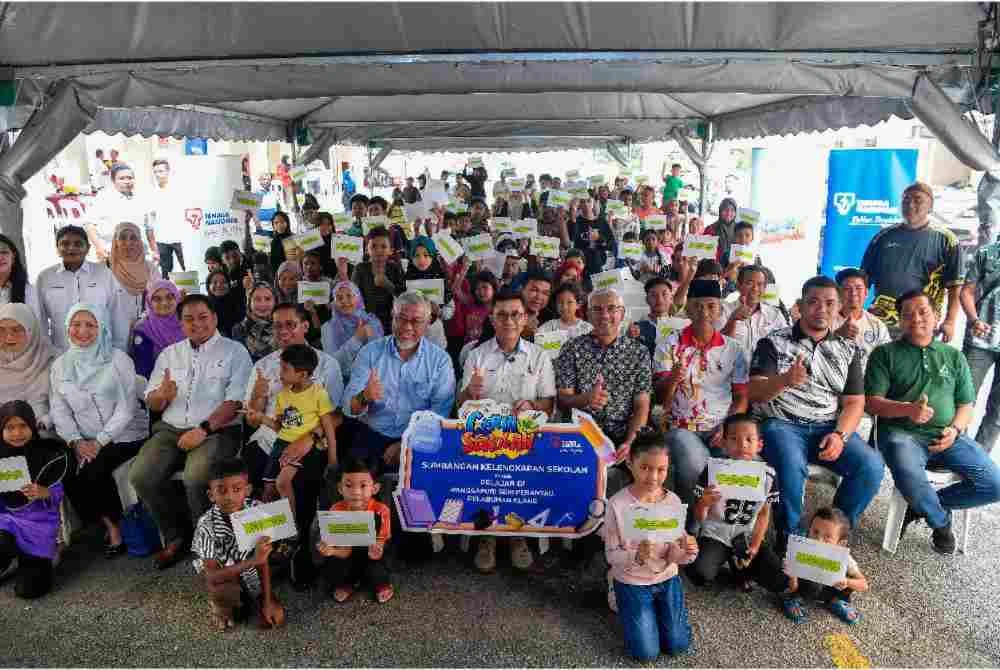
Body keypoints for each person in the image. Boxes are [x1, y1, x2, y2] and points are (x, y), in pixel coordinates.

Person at [748, 276, 885, 547]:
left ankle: (830, 534)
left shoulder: (847, 349)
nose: (821, 309)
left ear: (839, 307)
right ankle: (789, 538)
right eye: (813, 302)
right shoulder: (773, 342)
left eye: (829, 303)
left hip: (827, 427)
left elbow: (855, 403)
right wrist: (785, 380)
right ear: (800, 305)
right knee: (790, 464)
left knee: (871, 466)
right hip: (782, 424)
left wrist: (840, 436)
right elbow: (755, 392)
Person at [865, 289, 1000, 554]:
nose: (916, 319)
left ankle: (920, 506)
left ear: (936, 316)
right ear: (900, 320)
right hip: (901, 433)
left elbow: (966, 405)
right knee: (909, 474)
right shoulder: (884, 354)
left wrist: (955, 429)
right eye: (908, 315)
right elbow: (871, 403)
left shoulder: (953, 356)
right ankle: (940, 522)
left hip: (947, 435)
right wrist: (908, 410)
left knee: (994, 485)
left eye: (923, 312)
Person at [129, 294, 253, 570]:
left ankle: (207, 544)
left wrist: (203, 429)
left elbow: (235, 402)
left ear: (215, 318)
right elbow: (152, 400)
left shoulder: (234, 352)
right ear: (180, 323)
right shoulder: (170, 354)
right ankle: (175, 536)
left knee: (196, 477)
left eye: (202, 317)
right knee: (141, 476)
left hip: (217, 430)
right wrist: (161, 396)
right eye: (188, 319)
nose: (196, 324)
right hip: (170, 428)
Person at [243, 303, 344, 587]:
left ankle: (298, 550)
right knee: (254, 480)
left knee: (299, 481)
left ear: (305, 326)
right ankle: (268, 551)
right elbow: (252, 419)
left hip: (310, 440)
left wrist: (309, 439)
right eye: (277, 325)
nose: (283, 331)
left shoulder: (327, 364)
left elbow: (336, 416)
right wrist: (258, 397)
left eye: (290, 324)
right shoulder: (263, 366)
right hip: (269, 439)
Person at [457, 288, 557, 573]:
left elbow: (549, 404)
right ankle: (487, 536)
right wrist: (469, 392)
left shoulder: (539, 356)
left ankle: (517, 535)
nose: (509, 321)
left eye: (515, 314)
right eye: (502, 315)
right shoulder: (476, 355)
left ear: (525, 318)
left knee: (520, 477)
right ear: (492, 319)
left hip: (525, 437)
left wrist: (532, 404)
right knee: (486, 473)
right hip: (485, 438)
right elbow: (460, 404)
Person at [49, 304, 148, 558]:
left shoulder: (118, 359)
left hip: (124, 436)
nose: (82, 331)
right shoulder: (60, 366)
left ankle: (117, 528)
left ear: (101, 328)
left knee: (94, 470)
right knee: (67, 469)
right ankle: (105, 522)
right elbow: (59, 410)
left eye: (90, 325)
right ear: (67, 328)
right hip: (83, 440)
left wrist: (99, 442)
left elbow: (126, 409)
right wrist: (75, 441)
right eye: (76, 324)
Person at [602, 432, 699, 661]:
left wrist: (688, 551)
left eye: (661, 469)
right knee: (646, 653)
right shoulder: (617, 505)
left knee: (677, 645)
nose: (653, 477)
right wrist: (636, 556)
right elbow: (611, 555)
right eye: (645, 467)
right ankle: (615, 589)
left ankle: (652, 611)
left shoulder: (673, 501)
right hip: (632, 580)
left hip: (666, 577)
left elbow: (675, 553)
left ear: (668, 468)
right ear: (630, 464)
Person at [655, 280, 749, 507]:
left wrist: (729, 428)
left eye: (711, 306)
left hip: (721, 427)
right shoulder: (669, 344)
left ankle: (719, 523)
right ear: (687, 309)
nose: (704, 312)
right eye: (697, 306)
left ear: (719, 310)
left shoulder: (733, 348)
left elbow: (741, 397)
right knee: (696, 465)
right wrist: (672, 379)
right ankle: (693, 522)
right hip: (680, 428)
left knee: (744, 463)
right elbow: (659, 399)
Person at [342, 291, 455, 475]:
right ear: (392, 317)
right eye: (401, 319)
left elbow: (439, 414)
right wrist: (365, 397)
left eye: (416, 321)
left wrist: (407, 443)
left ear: (428, 323)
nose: (407, 327)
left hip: (420, 436)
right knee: (354, 483)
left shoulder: (440, 360)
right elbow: (348, 407)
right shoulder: (370, 352)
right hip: (373, 433)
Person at [556, 288, 651, 494]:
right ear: (588, 315)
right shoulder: (572, 349)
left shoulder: (639, 352)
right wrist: (586, 399)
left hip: (623, 433)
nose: (605, 315)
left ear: (622, 314)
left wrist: (631, 441)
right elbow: (563, 399)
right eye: (597, 309)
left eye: (611, 308)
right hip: (583, 434)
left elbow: (642, 406)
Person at [191, 458, 285, 631]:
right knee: (227, 599)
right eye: (221, 491)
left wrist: (267, 601)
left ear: (247, 490)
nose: (229, 497)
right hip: (223, 574)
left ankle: (251, 598)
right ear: (211, 495)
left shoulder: (257, 511)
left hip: (250, 570)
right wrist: (254, 560)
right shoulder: (205, 525)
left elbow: (263, 560)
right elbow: (212, 576)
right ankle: (220, 606)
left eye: (237, 489)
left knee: (274, 618)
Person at [860, 181, 962, 339]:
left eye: (917, 200)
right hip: (880, 322)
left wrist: (950, 321)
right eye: (906, 200)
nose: (910, 204)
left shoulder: (946, 240)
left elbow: (955, 287)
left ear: (930, 206)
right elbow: (863, 280)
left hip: (921, 323)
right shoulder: (883, 237)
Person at [245, 344, 338, 511]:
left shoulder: (318, 394)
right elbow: (281, 428)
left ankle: (292, 524)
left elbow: (328, 426)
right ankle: (278, 525)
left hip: (304, 448)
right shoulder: (283, 395)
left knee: (282, 482)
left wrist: (332, 459)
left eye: (284, 369)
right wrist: (261, 418)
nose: (279, 373)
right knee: (268, 490)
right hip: (280, 445)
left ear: (302, 374)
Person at [0, 401, 71, 599]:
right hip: (5, 521)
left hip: (37, 527)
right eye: (10, 427)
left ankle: (37, 559)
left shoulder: (49, 454)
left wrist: (45, 492)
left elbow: (58, 493)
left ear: (32, 425)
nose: (17, 433)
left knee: (29, 590)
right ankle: (7, 560)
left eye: (23, 426)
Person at [315, 457, 393, 603]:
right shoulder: (336, 510)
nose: (356, 492)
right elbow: (343, 549)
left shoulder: (381, 510)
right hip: (348, 553)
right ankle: (349, 583)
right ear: (340, 488)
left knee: (376, 569)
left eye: (363, 486)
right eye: (349, 485)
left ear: (375, 488)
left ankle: (382, 584)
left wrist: (378, 547)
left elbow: (383, 539)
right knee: (334, 569)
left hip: (371, 553)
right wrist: (330, 550)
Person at [781, 507, 869, 625]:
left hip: (828, 588)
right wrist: (792, 576)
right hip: (804, 587)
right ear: (809, 529)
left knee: (848, 577)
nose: (818, 540)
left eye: (827, 537)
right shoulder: (800, 550)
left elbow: (863, 584)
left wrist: (847, 582)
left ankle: (834, 601)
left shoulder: (844, 558)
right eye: (815, 532)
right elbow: (792, 586)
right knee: (794, 580)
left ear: (840, 543)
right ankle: (792, 599)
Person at [37, 225, 115, 352]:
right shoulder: (45, 277)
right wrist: (48, 351)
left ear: (88, 248)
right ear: (57, 248)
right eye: (65, 244)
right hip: (61, 351)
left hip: (99, 350)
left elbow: (113, 312)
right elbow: (41, 319)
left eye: (78, 244)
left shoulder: (104, 273)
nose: (71, 248)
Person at [959, 236, 1000, 453]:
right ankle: (956, 451)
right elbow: (966, 291)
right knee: (964, 396)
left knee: (998, 410)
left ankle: (979, 457)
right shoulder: (987, 253)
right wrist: (974, 319)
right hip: (980, 339)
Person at [0, 304, 56, 427]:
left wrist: (46, 420)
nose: (9, 337)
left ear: (31, 330)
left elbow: (64, 407)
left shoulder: (54, 362)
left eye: (16, 330)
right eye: (2, 330)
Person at [85, 163, 151, 263]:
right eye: (122, 178)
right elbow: (89, 225)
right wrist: (99, 248)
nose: (127, 181)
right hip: (112, 254)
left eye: (130, 178)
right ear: (113, 180)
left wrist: (153, 249)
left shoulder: (140, 199)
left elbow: (148, 227)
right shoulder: (103, 198)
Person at [720, 265, 790, 359]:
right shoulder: (724, 310)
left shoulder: (775, 315)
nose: (755, 289)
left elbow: (787, 345)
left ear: (765, 288)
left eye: (760, 284)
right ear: (738, 285)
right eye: (749, 283)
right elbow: (717, 347)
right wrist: (732, 320)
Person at [108, 222, 157, 351]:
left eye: (133, 238)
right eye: (123, 237)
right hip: (113, 340)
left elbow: (158, 298)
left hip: (145, 335)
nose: (128, 243)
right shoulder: (105, 269)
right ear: (115, 241)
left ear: (140, 241)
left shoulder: (150, 268)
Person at [321, 281, 384, 381]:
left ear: (358, 298)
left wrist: (370, 338)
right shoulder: (328, 327)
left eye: (349, 296)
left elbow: (381, 356)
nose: (344, 301)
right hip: (344, 382)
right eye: (339, 298)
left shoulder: (372, 321)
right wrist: (356, 339)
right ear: (334, 303)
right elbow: (332, 364)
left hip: (374, 380)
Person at [832, 268, 890, 371]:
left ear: (866, 292)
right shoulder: (826, 321)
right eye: (847, 288)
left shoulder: (877, 326)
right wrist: (837, 335)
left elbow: (887, 360)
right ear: (838, 293)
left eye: (858, 288)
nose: (853, 293)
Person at [129, 279, 185, 380]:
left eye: (169, 297)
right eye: (157, 299)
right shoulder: (143, 330)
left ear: (177, 298)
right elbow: (143, 370)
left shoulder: (187, 322)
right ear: (149, 303)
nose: (164, 303)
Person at [352, 227, 405, 333]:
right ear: (366, 250)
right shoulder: (360, 269)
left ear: (391, 250)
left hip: (391, 323)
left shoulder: (395, 268)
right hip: (366, 322)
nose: (379, 250)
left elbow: (403, 295)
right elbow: (353, 296)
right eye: (374, 246)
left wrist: (388, 285)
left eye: (384, 246)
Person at [148, 159, 186, 278]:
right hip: (162, 239)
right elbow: (151, 217)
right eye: (155, 172)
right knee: (166, 271)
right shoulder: (152, 192)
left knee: (186, 268)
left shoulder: (179, 189)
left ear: (168, 171)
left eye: (161, 171)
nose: (158, 174)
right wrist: (153, 241)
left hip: (180, 237)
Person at [630, 277, 678, 357]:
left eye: (664, 294)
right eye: (653, 295)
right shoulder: (637, 329)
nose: (660, 299)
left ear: (671, 298)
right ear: (647, 300)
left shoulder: (680, 328)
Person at [232, 283, 279, 363]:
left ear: (275, 302)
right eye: (257, 299)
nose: (262, 304)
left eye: (268, 299)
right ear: (249, 303)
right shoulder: (239, 330)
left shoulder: (283, 326)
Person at [0, 233, 40, 319]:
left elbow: (36, 324)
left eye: (4, 252)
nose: (0, 257)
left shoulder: (29, 291)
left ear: (13, 257)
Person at [205, 269, 245, 338]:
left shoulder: (238, 301)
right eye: (214, 282)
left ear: (229, 285)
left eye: (223, 282)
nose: (219, 285)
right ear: (208, 286)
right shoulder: (204, 306)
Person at [702, 197, 738, 267]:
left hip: (735, 268)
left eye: (732, 210)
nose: (728, 213)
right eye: (725, 209)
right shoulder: (711, 229)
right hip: (714, 268)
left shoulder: (739, 230)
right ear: (720, 211)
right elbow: (705, 253)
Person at [254, 173, 283, 238]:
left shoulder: (274, 192)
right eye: (264, 179)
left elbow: (278, 207)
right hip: (263, 228)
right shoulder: (256, 193)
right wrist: (258, 226)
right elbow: (254, 211)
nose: (266, 181)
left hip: (274, 227)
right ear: (260, 180)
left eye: (268, 179)